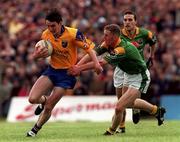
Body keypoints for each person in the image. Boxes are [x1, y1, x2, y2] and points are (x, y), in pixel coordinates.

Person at [68, 24, 166, 135]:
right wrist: (77, 66)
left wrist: (79, 69)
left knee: (119, 107)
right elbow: (93, 53)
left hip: (140, 76)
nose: (103, 37)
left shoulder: (122, 49)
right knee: (128, 103)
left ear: (114, 36)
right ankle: (157, 111)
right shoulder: (108, 43)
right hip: (128, 74)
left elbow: (101, 63)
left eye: (106, 35)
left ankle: (111, 131)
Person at [26, 8, 103, 137]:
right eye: (48, 26)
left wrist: (96, 64)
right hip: (52, 70)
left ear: (60, 22)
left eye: (53, 26)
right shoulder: (45, 35)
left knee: (50, 106)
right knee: (32, 99)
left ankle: (35, 129)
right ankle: (43, 100)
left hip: (67, 75)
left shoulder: (73, 34)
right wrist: (36, 55)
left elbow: (90, 50)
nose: (50, 29)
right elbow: (37, 56)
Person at [115, 10, 157, 133]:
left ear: (135, 21)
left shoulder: (144, 33)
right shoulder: (119, 34)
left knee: (129, 100)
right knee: (120, 99)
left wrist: (151, 56)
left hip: (136, 69)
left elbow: (153, 40)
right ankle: (122, 126)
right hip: (120, 68)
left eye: (130, 20)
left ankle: (135, 109)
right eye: (125, 20)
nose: (127, 22)